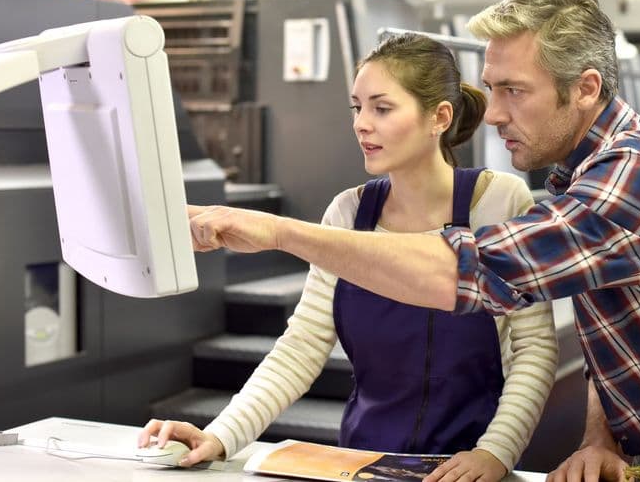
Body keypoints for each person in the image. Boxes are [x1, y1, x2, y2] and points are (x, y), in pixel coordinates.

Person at [187, 0, 640, 482]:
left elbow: (468, 272)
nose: (499, 112)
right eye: (493, 88)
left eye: (515, 91)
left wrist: (275, 232)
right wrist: (601, 435)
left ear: (585, 87)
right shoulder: (578, 176)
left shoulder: (634, 176)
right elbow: (618, 341)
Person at [139, 32, 558, 482]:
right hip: (363, 462)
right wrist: (220, 436)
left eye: (382, 107)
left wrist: (495, 454)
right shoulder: (348, 211)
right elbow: (301, 346)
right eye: (357, 108)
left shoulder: (499, 201)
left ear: (439, 117)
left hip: (467, 466)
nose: (361, 123)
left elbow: (534, 350)